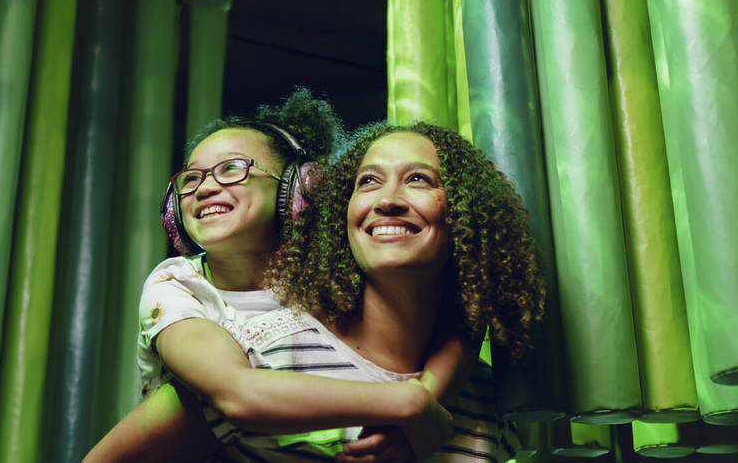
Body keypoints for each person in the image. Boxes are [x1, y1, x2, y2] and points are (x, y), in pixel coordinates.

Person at [85, 94, 469, 463]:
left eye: (232, 169)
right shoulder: (177, 284)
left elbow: (459, 314)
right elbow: (238, 393)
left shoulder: (328, 273)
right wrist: (410, 405)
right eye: (190, 179)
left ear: (298, 190)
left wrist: (425, 404)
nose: (204, 187)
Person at [205, 121, 545, 461]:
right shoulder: (261, 351)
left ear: (465, 213)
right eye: (368, 181)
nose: (387, 200)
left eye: (418, 179)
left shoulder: (488, 406)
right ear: (342, 213)